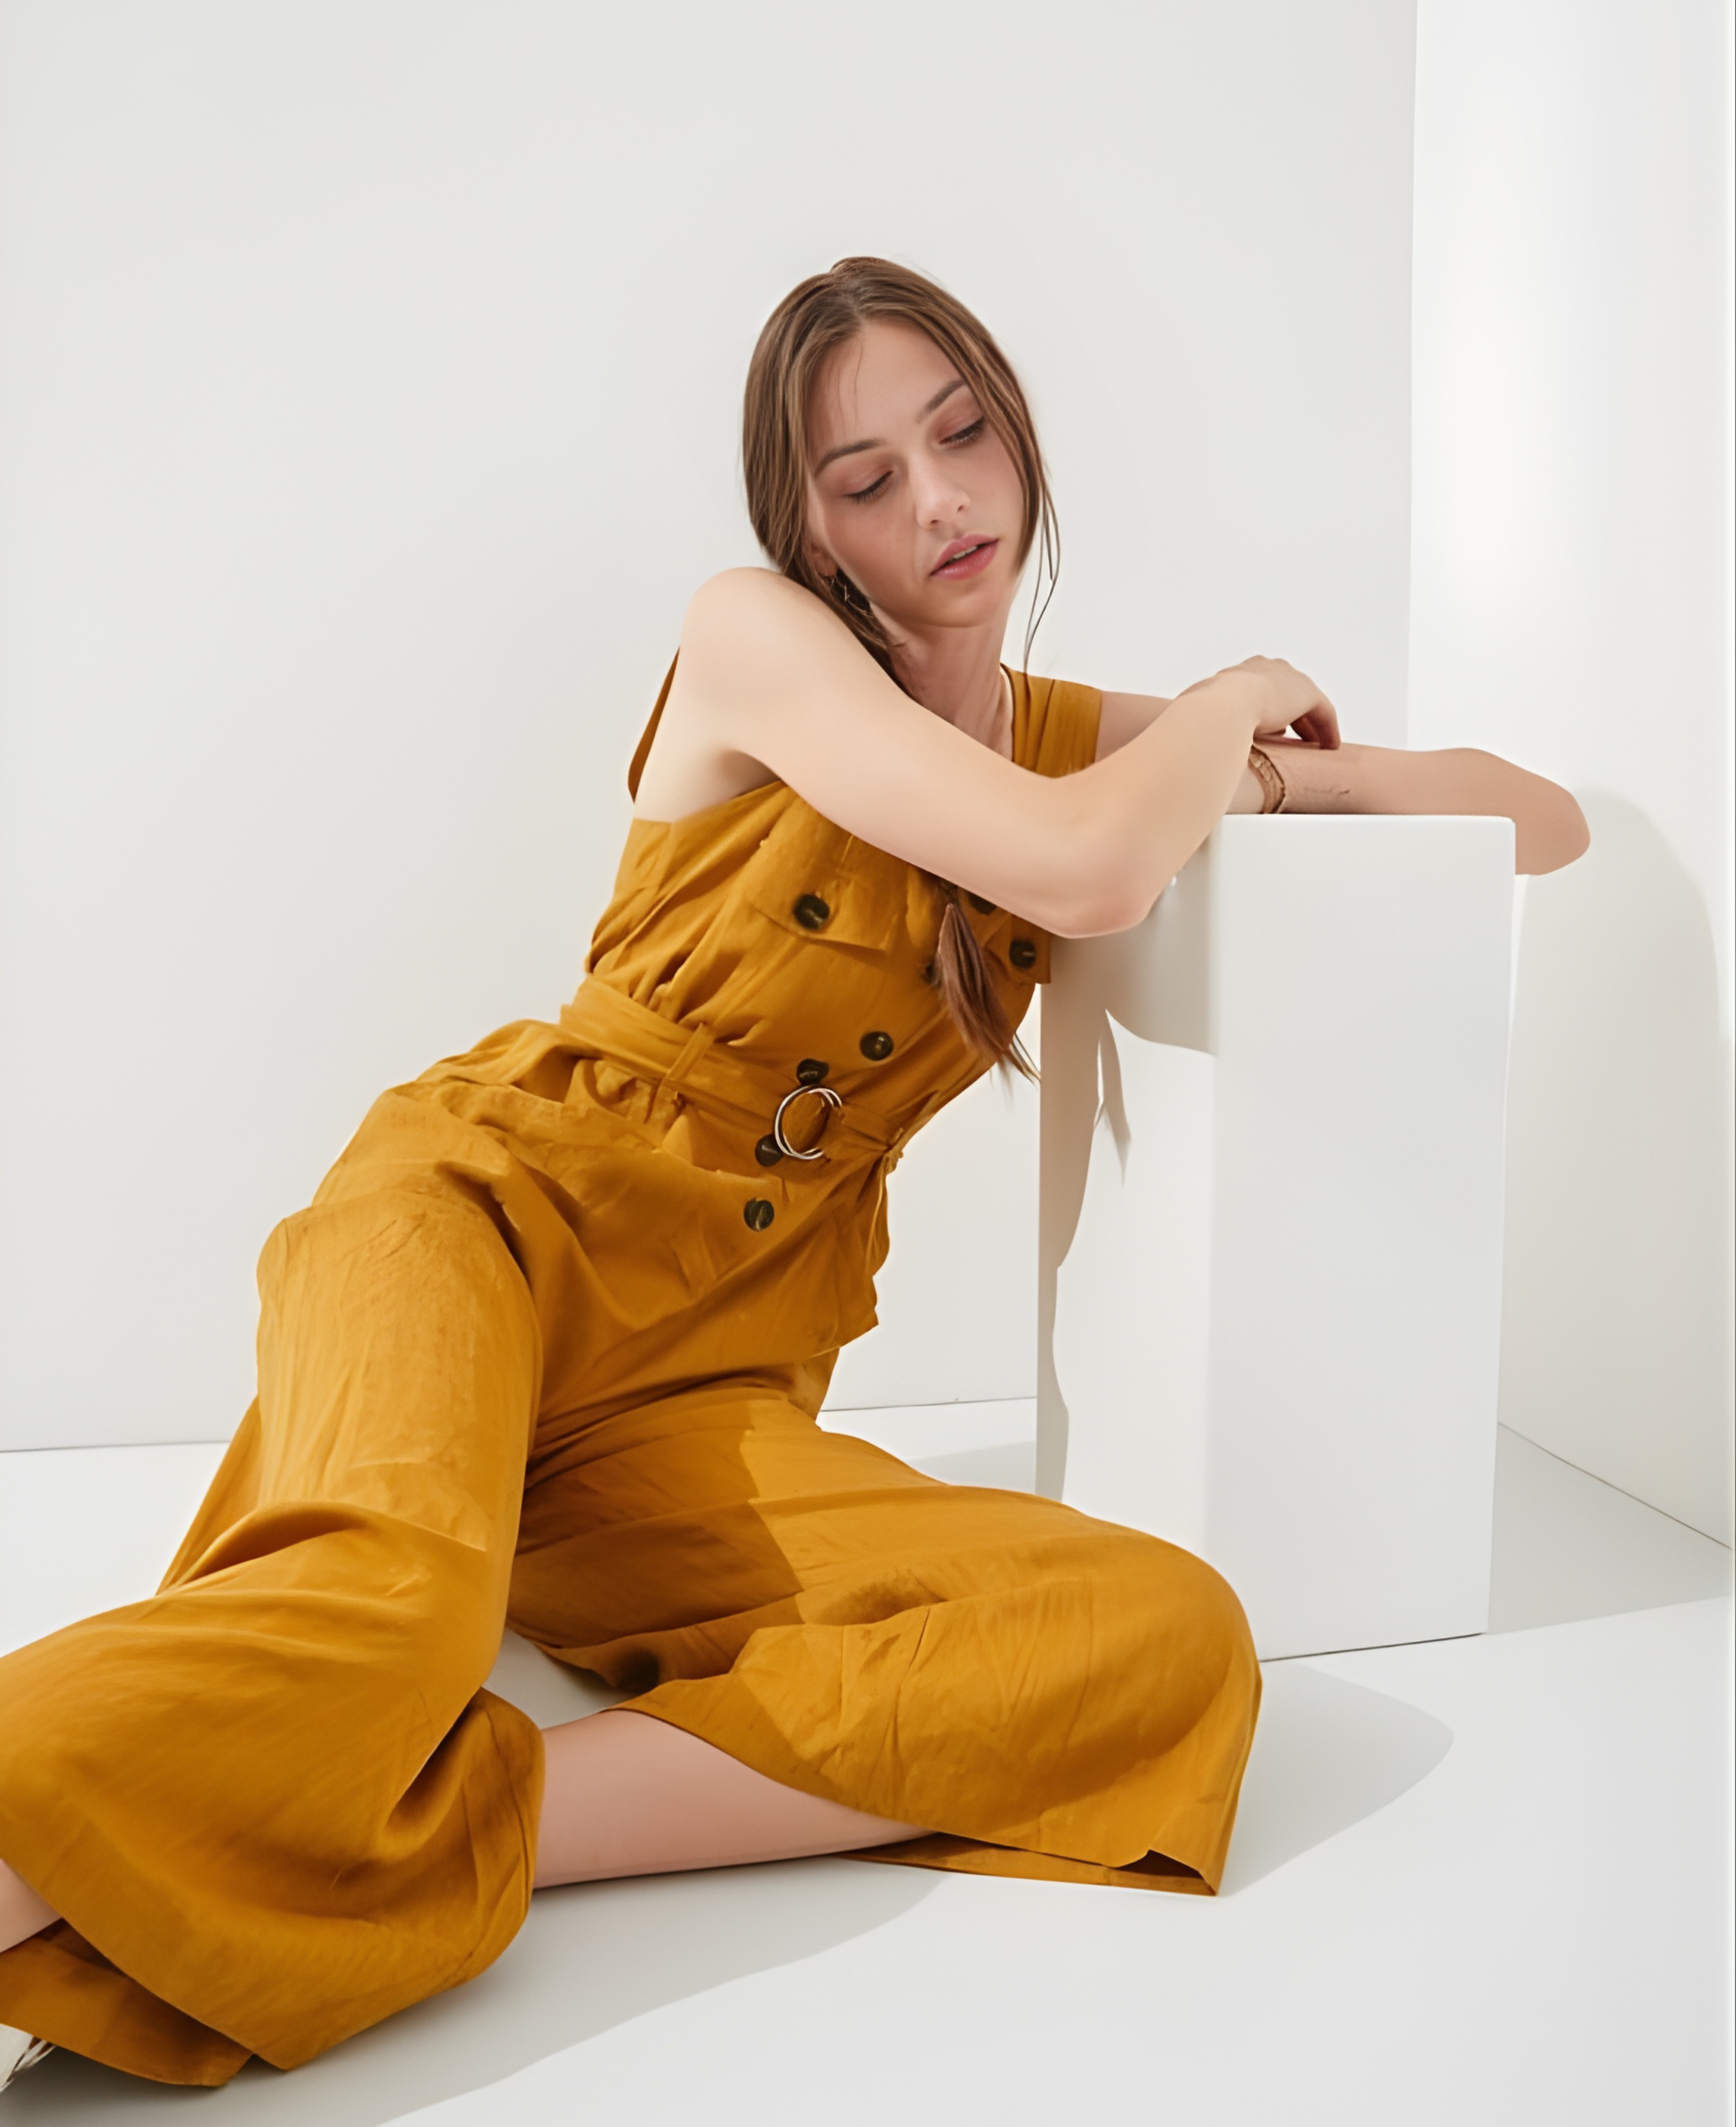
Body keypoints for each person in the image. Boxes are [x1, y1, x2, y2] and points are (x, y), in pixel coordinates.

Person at [0, 256, 1588, 2092]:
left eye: (962, 432)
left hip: (699, 1389)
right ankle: (277, 1781)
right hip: (480, 1222)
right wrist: (1232, 697)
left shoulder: (1094, 751)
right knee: (383, 1615)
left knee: (1158, 1637)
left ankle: (436, 1820)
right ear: (808, 527)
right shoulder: (759, 638)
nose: (939, 501)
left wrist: (1240, 755)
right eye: (865, 478)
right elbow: (1083, 876)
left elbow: (1522, 818)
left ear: (1013, 422)